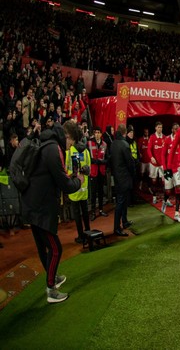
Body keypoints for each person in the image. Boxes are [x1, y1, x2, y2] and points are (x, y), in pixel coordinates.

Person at [20, 121, 84, 303]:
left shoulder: (46, 143)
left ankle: (52, 278)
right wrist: (78, 180)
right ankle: (51, 290)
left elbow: (54, 177)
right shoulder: (54, 149)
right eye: (71, 144)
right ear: (68, 137)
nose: (70, 147)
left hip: (32, 204)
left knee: (44, 247)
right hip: (40, 207)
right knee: (56, 248)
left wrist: (69, 178)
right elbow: (64, 184)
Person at [66, 134, 92, 244]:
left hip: (75, 186)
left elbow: (73, 170)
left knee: (77, 213)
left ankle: (81, 236)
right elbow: (88, 168)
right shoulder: (85, 150)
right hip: (84, 186)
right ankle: (88, 232)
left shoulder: (72, 151)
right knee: (85, 211)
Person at [111, 124, 135, 236]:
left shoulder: (113, 143)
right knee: (121, 202)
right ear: (125, 133)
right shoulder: (124, 145)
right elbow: (129, 162)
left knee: (123, 201)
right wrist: (133, 173)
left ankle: (124, 222)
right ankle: (116, 227)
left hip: (117, 177)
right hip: (124, 177)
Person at [87, 126, 108, 221]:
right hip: (93, 171)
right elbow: (87, 157)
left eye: (99, 132)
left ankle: (100, 210)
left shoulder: (105, 144)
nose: (97, 134)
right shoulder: (89, 143)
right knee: (93, 192)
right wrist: (94, 161)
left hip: (101, 171)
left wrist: (102, 162)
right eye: (95, 132)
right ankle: (92, 212)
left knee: (100, 192)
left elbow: (107, 158)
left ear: (101, 134)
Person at [163, 122, 180, 220]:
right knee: (168, 191)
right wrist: (165, 169)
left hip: (178, 169)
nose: (176, 131)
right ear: (172, 130)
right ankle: (165, 200)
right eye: (175, 129)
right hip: (169, 169)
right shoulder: (167, 139)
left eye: (178, 129)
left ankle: (177, 213)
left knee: (178, 189)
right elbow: (163, 155)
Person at [147, 121, 166, 203]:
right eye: (158, 127)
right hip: (154, 164)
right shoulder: (152, 137)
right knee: (154, 180)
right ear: (155, 128)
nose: (160, 129)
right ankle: (154, 196)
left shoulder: (164, 137)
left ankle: (165, 198)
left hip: (162, 163)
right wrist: (151, 157)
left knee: (164, 181)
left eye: (161, 127)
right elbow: (149, 149)